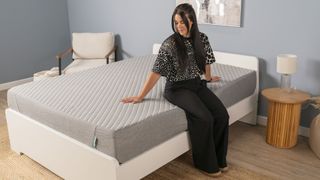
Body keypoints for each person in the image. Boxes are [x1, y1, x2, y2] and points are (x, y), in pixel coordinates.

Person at [121, 3, 229, 177]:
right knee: (205, 118)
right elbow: (156, 72)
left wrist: (208, 78)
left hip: (196, 84)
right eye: (176, 22)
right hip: (177, 89)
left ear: (191, 21)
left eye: (182, 22)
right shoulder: (170, 44)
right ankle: (205, 163)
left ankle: (219, 158)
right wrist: (140, 96)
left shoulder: (202, 38)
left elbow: (206, 60)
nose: (178, 26)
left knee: (222, 115)